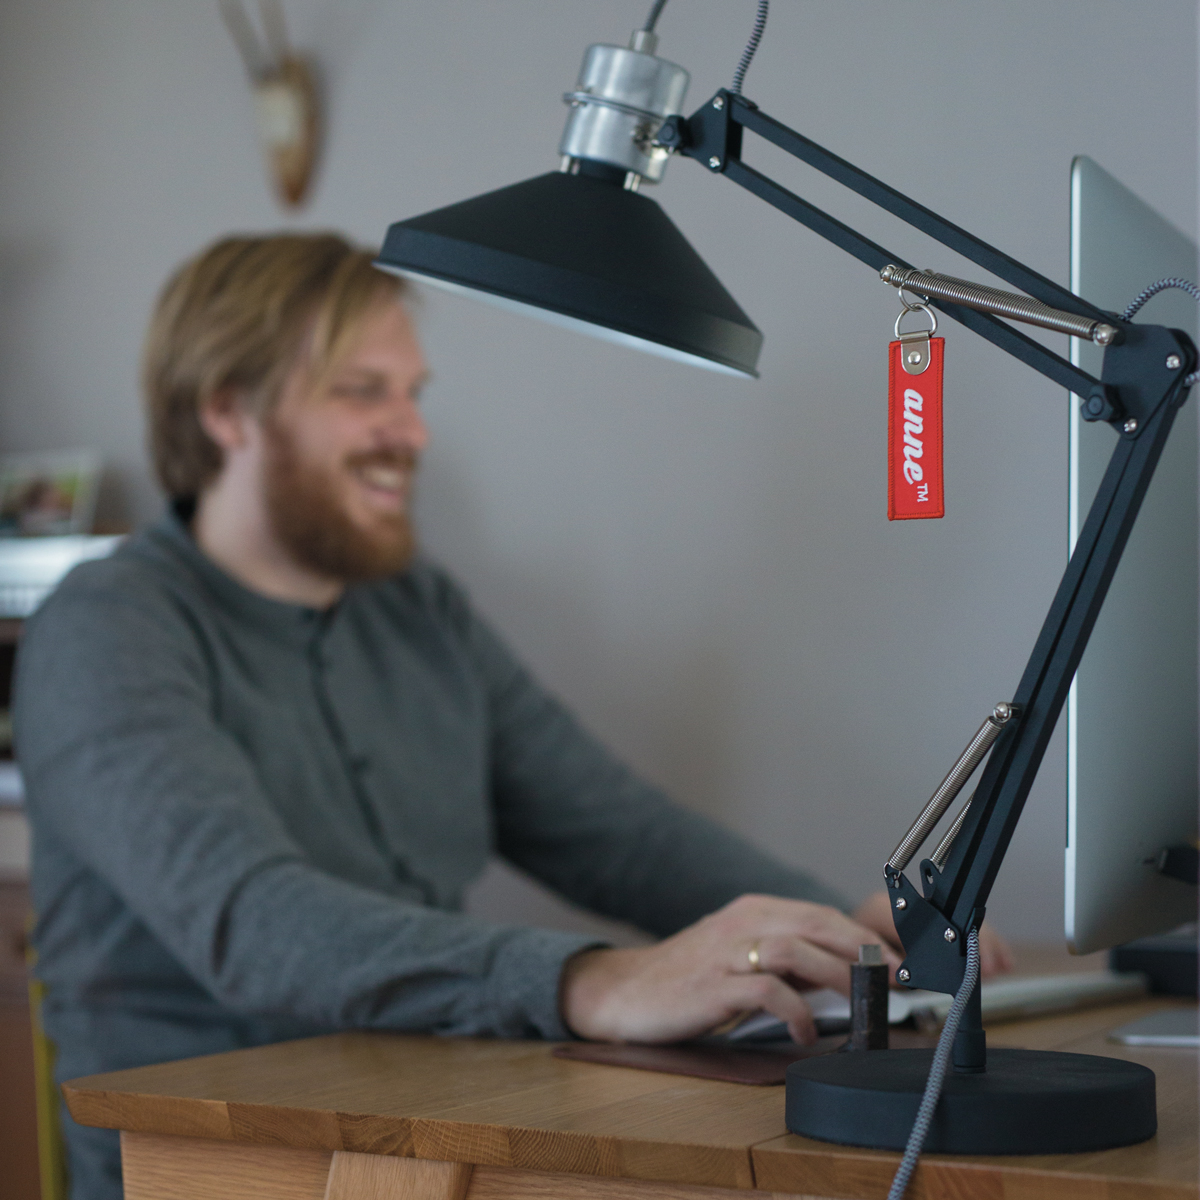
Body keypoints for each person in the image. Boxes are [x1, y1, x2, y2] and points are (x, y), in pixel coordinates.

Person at [14, 234, 1010, 1200]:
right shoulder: (104, 629)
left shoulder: (416, 610)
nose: (411, 433)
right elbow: (252, 920)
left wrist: (844, 939)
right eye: (362, 392)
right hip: (212, 1164)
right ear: (228, 411)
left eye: (412, 394)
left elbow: (614, 831)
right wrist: (595, 983)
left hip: (424, 1134)